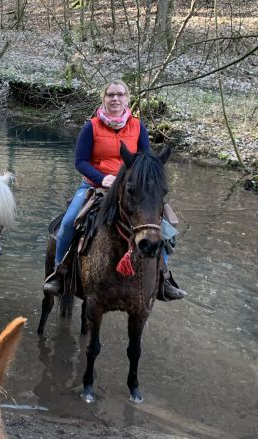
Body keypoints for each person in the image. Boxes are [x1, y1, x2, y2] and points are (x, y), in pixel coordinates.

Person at [43, 79, 186, 300]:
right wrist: (102, 178)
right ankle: (58, 273)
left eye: (120, 94)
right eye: (111, 95)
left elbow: (147, 160)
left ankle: (163, 278)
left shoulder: (138, 126)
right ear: (104, 99)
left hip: (132, 190)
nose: (115, 99)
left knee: (166, 227)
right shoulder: (91, 127)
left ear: (127, 99)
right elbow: (80, 162)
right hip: (95, 187)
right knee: (68, 223)